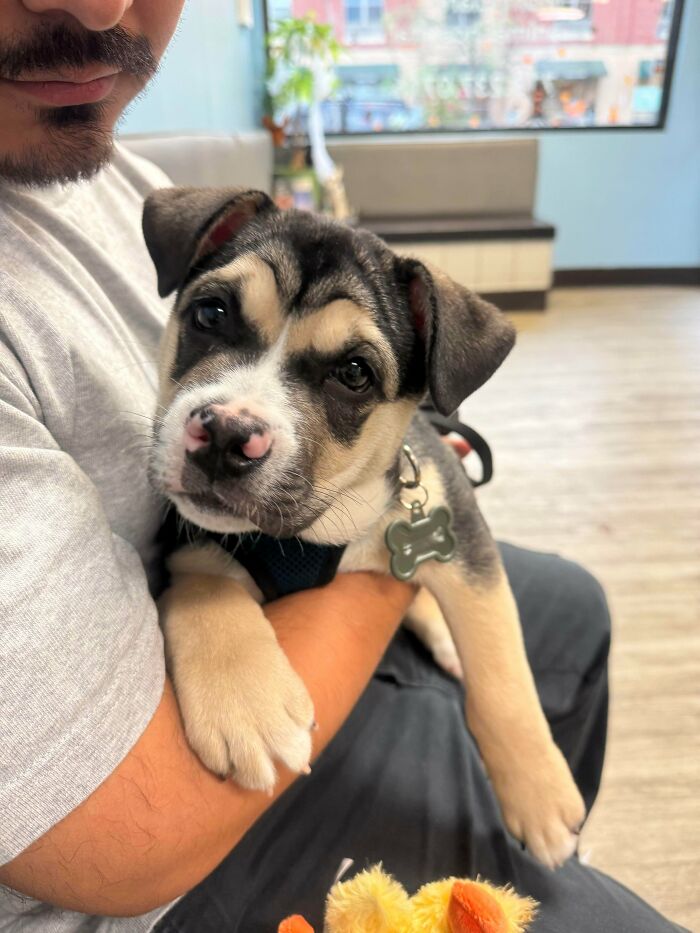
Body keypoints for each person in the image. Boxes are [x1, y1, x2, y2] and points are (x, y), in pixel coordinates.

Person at [0, 4, 686, 931]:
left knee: (573, 606)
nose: (239, 417)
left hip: (323, 563)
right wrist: (398, 571)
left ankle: (536, 828)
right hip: (161, 855)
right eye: (215, 321)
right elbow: (132, 837)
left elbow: (440, 511)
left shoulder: (110, 164)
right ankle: (530, 850)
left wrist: (498, 710)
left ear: (426, 394)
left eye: (349, 372)